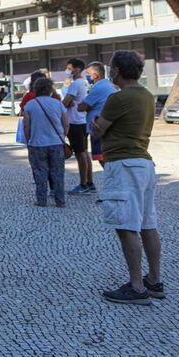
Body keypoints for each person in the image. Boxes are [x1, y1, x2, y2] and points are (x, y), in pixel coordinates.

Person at [91, 51, 162, 305]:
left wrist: (94, 124)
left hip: (123, 164)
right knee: (147, 224)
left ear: (117, 71)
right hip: (144, 162)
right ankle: (154, 279)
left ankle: (136, 286)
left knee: (126, 225)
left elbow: (99, 128)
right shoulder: (147, 95)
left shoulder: (117, 98)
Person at [21, 77, 69, 207]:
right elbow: (66, 124)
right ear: (50, 89)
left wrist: (28, 140)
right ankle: (60, 200)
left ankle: (41, 200)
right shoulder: (58, 104)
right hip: (56, 143)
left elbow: (26, 126)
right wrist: (61, 136)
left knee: (40, 173)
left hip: (37, 144)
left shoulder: (30, 105)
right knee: (58, 173)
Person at [63, 58, 93, 195]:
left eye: (69, 68)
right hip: (81, 121)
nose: (67, 71)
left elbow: (65, 102)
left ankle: (83, 184)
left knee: (80, 154)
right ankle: (89, 182)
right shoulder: (82, 83)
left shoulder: (76, 84)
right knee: (84, 153)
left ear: (77, 69)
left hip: (74, 122)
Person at [78, 61, 118, 165]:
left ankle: (112, 178)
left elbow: (82, 107)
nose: (86, 76)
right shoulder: (106, 86)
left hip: (99, 127)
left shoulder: (98, 88)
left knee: (102, 157)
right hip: (104, 125)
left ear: (95, 75)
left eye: (88, 73)